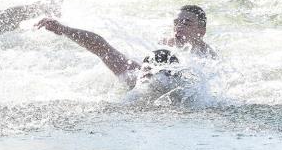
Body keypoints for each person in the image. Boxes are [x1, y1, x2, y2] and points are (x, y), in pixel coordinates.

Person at [38, 7, 213, 90]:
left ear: (201, 31)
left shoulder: (207, 59)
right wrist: (63, 29)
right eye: (176, 22)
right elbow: (102, 48)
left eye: (187, 23)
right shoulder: (139, 76)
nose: (179, 27)